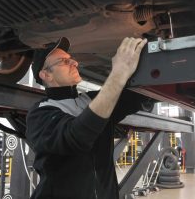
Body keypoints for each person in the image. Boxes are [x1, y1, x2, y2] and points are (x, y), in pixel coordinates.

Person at [26, 36, 147, 199]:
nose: (74, 63)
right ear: (46, 75)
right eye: (63, 61)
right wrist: (118, 74)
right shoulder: (41, 113)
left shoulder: (89, 100)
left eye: (71, 59)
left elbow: (138, 96)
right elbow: (77, 137)